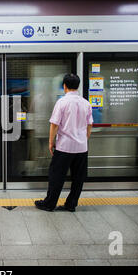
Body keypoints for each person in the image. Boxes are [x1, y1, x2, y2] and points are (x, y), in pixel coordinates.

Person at [35, 73, 93, 212]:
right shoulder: (86, 103)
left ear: (64, 86)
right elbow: (89, 124)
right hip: (81, 148)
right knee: (78, 178)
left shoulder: (62, 102)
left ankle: (49, 204)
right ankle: (71, 204)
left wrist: (50, 142)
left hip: (65, 146)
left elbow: (54, 124)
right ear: (77, 86)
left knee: (56, 176)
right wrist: (84, 139)